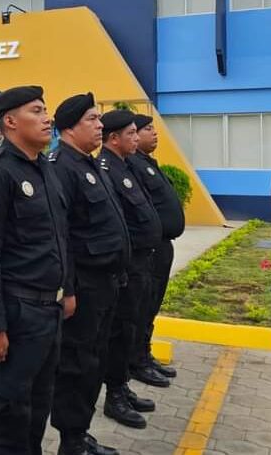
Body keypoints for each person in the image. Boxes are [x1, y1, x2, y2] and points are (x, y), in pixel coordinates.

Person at [0, 86, 69, 455]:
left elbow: (59, 237)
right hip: (17, 313)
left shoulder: (45, 169)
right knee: (8, 415)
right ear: (10, 121)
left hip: (49, 312)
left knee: (37, 411)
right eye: (37, 111)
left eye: (47, 111)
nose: (48, 118)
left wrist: (67, 290)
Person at [48, 94, 129, 455]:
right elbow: (59, 234)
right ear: (69, 127)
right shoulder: (61, 167)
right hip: (83, 285)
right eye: (92, 119)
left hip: (106, 282)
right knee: (77, 364)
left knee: (94, 360)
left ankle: (81, 431)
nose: (100, 125)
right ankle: (71, 438)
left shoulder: (89, 164)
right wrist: (67, 288)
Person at [97, 110, 160, 430]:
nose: (137, 138)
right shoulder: (107, 168)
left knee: (131, 326)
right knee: (120, 332)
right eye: (132, 133)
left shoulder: (126, 165)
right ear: (115, 138)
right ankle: (115, 395)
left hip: (140, 263)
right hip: (126, 264)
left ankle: (122, 386)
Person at [128, 114, 183, 386]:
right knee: (143, 306)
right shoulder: (134, 165)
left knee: (152, 305)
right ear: (134, 136)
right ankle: (137, 360)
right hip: (149, 249)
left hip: (161, 246)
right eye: (147, 129)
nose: (154, 133)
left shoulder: (148, 163)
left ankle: (144, 354)